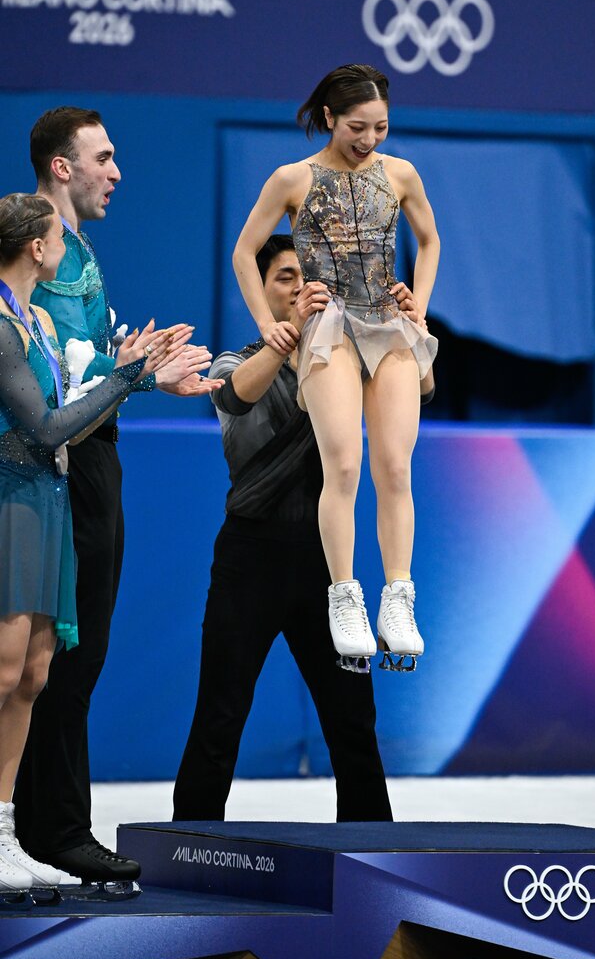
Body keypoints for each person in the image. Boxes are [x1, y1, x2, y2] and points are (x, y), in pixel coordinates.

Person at [13, 107, 220, 885]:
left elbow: (83, 366)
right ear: (61, 166)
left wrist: (142, 374)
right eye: (103, 157)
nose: (117, 172)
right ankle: (53, 828)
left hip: (91, 457)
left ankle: (43, 825)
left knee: (69, 656)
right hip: (65, 467)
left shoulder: (78, 250)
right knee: (54, 659)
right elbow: (57, 379)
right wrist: (130, 372)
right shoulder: (43, 255)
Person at [173, 235, 393, 821]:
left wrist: (408, 329)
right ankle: (190, 845)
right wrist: (293, 333)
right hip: (250, 560)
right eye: (284, 277)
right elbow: (237, 399)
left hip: (327, 567)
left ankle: (374, 849)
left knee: (353, 720)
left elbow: (419, 388)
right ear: (260, 288)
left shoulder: (349, 365)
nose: (298, 287)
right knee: (220, 715)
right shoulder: (234, 363)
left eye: (306, 275)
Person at [233, 64, 439, 673]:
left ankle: (398, 597)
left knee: (395, 465)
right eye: (357, 127)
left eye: (380, 127)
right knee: (344, 465)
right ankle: (345, 596)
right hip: (329, 328)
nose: (369, 139)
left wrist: (421, 306)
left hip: (389, 322)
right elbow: (245, 251)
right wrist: (268, 325)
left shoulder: (400, 174)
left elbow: (430, 240)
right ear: (329, 117)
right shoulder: (292, 178)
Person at [0, 192, 177, 893]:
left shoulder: (40, 320)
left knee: (34, 675)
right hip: (10, 503)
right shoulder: (1, 326)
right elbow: (46, 426)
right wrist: (129, 375)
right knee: (4, 670)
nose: (63, 249)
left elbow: (72, 405)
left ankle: (5, 834)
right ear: (36, 248)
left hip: (48, 501)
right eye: (56, 239)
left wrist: (136, 373)